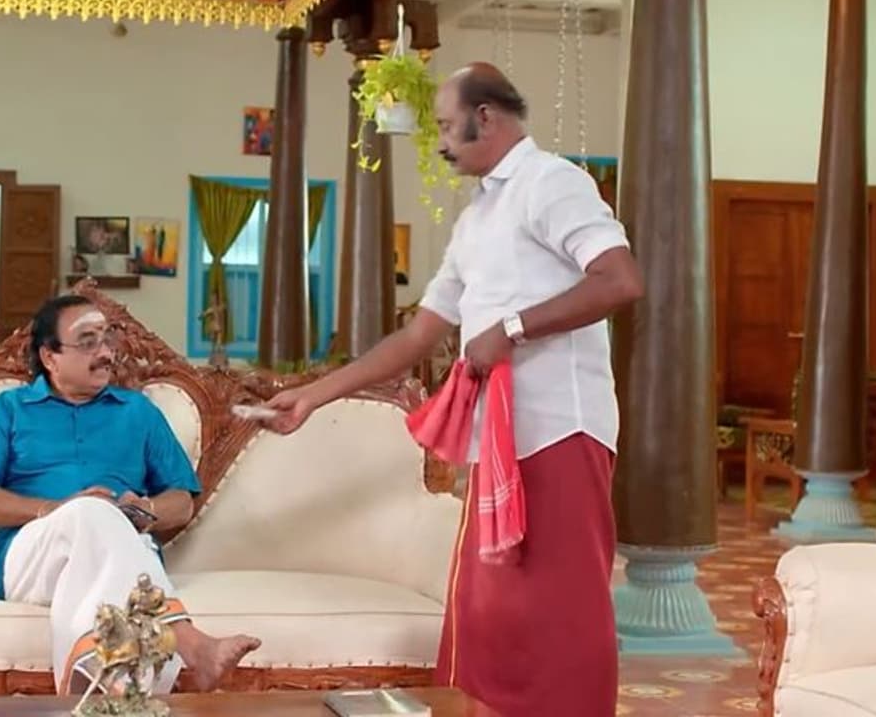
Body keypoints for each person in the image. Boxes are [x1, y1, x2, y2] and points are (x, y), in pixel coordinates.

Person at [261, 62, 643, 716]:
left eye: (444, 126)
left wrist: (512, 329)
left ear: (484, 117)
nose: (439, 142)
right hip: (498, 443)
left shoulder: (552, 182)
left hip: (561, 432)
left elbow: (620, 280)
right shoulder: (476, 219)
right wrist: (314, 395)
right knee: (485, 611)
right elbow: (419, 335)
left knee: (560, 611)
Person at [0, 294, 261, 695]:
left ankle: (107, 691)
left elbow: (182, 502)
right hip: (32, 558)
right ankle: (190, 642)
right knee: (90, 511)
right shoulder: (6, 411)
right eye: (87, 342)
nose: (105, 353)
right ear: (49, 356)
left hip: (124, 545)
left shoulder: (138, 412)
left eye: (107, 339)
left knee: (103, 520)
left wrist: (144, 508)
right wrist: (55, 509)